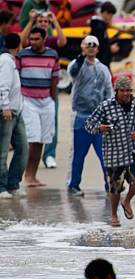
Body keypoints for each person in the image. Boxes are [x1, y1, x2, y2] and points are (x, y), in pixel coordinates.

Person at [85, 77, 135, 227]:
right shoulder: (105, 106)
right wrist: (100, 128)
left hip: (134, 151)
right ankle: (114, 214)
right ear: (116, 91)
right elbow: (88, 124)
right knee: (115, 187)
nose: (126, 93)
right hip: (114, 154)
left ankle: (127, 201)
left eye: (128, 90)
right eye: (122, 91)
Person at [67, 35, 113, 197]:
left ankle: (110, 184)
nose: (91, 47)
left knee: (105, 155)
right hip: (81, 117)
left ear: (98, 48)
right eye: (88, 45)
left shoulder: (103, 69)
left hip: (100, 120)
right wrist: (81, 57)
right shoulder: (77, 64)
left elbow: (109, 92)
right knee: (78, 155)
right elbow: (72, 72)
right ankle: (73, 185)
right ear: (83, 47)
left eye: (94, 45)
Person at [21, 10, 66, 170]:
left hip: (48, 91)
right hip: (30, 95)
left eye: (46, 21)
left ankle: (49, 155)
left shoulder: (51, 42)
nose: (43, 23)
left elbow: (62, 41)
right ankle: (32, 162)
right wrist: (30, 21)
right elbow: (22, 40)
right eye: (40, 21)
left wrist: (55, 21)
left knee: (50, 125)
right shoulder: (31, 41)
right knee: (33, 129)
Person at [16, 27, 59, 188]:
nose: (33, 42)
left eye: (36, 39)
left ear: (44, 38)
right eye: (31, 39)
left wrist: (51, 98)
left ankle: (33, 176)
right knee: (32, 138)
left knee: (42, 139)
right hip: (28, 101)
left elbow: (55, 79)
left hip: (46, 101)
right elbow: (16, 77)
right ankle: (26, 175)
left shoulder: (52, 54)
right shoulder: (22, 54)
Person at [0, 33, 27, 199]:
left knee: (23, 148)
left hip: (17, 110)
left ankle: (13, 183)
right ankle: (2, 186)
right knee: (2, 151)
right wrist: (5, 106)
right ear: (19, 46)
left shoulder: (11, 61)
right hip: (7, 111)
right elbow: (2, 85)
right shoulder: (5, 61)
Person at [90, 1, 119, 68]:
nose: (111, 18)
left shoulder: (101, 25)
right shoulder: (98, 26)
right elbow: (98, 45)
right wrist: (110, 48)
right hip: (100, 62)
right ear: (105, 13)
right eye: (111, 15)